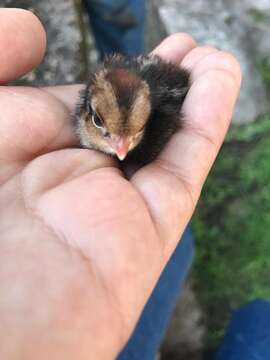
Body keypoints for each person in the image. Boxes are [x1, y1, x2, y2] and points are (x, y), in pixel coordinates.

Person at [0, 8, 241, 360]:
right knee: (179, 250)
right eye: (106, 129)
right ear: (89, 112)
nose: (122, 149)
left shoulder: (142, 126)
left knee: (179, 250)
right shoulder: (97, 108)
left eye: (134, 134)